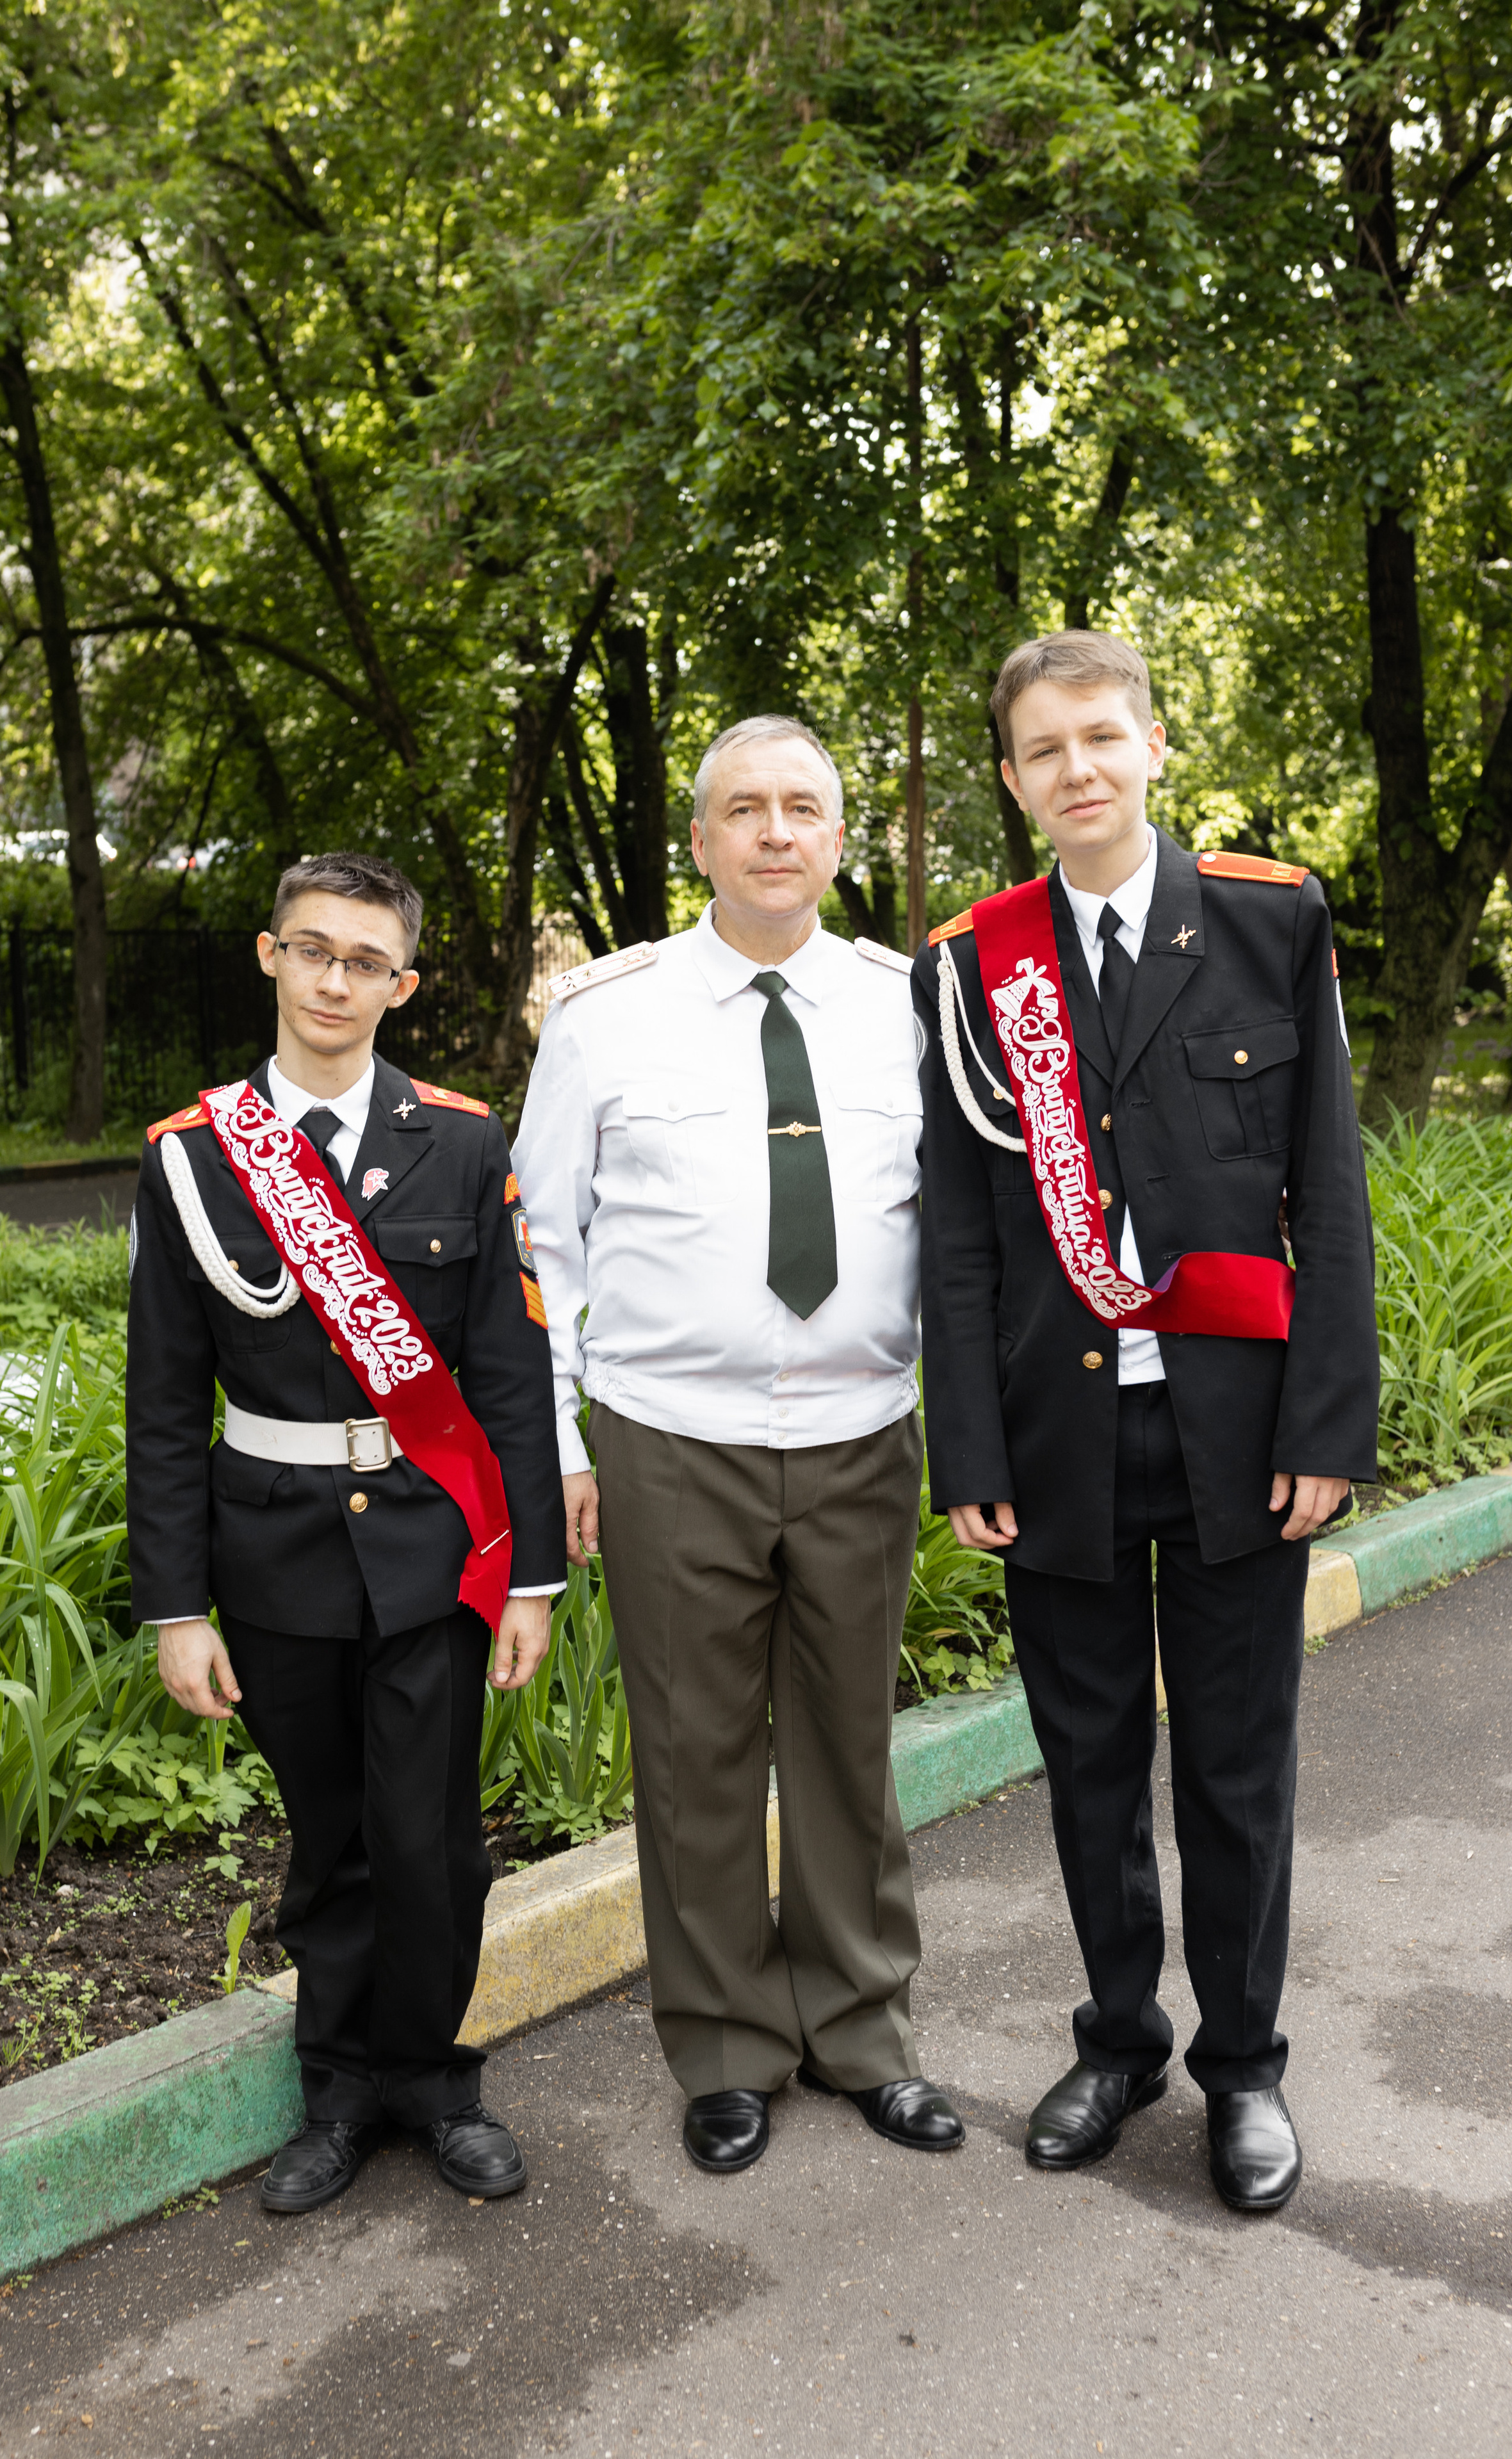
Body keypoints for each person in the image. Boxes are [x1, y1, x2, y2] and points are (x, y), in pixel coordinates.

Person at [912, 631, 1379, 2213]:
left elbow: (1327, 1186)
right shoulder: (971, 967)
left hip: (1240, 1433)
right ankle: (1118, 2039)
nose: (1076, 770)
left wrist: (1325, 1424)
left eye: (1100, 737)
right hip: (1059, 1441)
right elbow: (962, 1231)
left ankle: (1242, 2069)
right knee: (1088, 1765)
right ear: (1011, 779)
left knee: (1235, 1770)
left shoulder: (1265, 921)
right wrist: (964, 1447)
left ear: (1153, 745)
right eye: (1042, 751)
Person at [510, 716, 965, 2175]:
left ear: (839, 839)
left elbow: (957, 1238)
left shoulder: (913, 1005)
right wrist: (563, 1441)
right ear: (699, 840)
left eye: (803, 809)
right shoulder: (602, 1016)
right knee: (695, 1750)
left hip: (855, 1434)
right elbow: (545, 1243)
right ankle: (721, 2048)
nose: (775, 833)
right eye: (743, 810)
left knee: (846, 1745)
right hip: (667, 1440)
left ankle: (861, 2030)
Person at [127, 850, 566, 2215]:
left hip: (433, 1550)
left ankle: (434, 2082)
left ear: (403, 983)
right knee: (327, 1840)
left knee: (431, 1836)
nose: (334, 980)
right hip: (272, 1557)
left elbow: (507, 1371)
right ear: (269, 955)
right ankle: (335, 2096)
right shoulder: (194, 1159)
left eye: (364, 961)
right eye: (311, 950)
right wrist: (176, 1606)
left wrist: (533, 1580)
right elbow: (161, 1398)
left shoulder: (462, 1139)